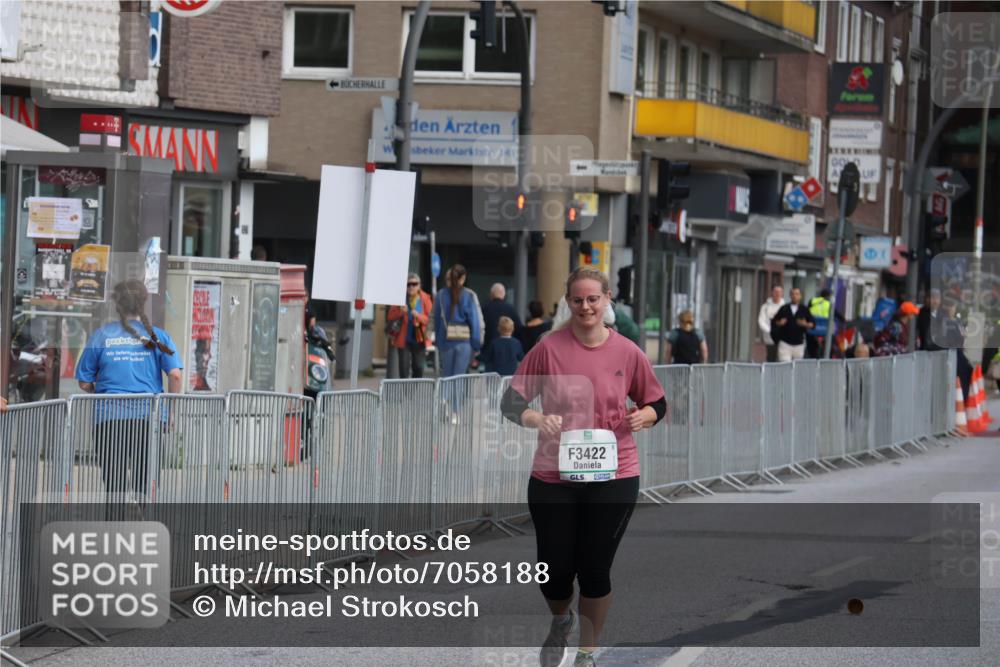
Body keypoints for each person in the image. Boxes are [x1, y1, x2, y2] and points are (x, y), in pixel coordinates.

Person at [501, 267, 666, 667]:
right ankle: (561, 619)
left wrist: (644, 416)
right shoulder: (548, 349)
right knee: (553, 569)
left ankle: (587, 652)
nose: (586, 306)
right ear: (568, 302)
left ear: (607, 299)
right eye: (578, 300)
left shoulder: (628, 352)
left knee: (594, 567)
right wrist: (537, 419)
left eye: (594, 298)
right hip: (553, 475)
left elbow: (657, 402)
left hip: (615, 474)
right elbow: (511, 403)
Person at [75, 280, 182, 499]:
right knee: (146, 483)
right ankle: (144, 528)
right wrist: (170, 410)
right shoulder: (159, 336)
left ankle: (115, 530)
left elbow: (84, 381)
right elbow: (175, 375)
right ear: (143, 304)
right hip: (148, 419)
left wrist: (99, 394)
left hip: (109, 420)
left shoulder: (102, 336)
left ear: (118, 305)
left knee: (114, 485)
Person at [434, 264, 482, 379]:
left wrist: (439, 342)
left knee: (446, 378)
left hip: (446, 342)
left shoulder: (441, 295)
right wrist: (476, 345)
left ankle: (446, 398)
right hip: (464, 342)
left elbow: (437, 320)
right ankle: (457, 398)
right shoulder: (469, 295)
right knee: (460, 379)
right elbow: (475, 323)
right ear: (463, 278)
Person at [386, 273, 433, 379]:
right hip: (403, 339)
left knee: (419, 367)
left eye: (414, 284)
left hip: (420, 338)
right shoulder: (400, 298)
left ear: (419, 285)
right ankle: (405, 394)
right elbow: (390, 316)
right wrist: (400, 311)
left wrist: (419, 316)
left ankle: (413, 393)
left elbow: (430, 319)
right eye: (408, 284)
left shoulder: (425, 299)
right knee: (403, 369)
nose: (411, 287)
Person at [481, 283, 523, 364]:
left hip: (487, 352)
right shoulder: (511, 309)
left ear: (491, 294)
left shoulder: (483, 308)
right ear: (503, 295)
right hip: (509, 354)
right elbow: (519, 329)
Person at [770, 287, 815, 361]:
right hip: (785, 343)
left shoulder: (804, 309)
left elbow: (813, 324)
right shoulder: (784, 308)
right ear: (790, 296)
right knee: (785, 366)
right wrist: (780, 323)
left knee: (796, 367)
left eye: (797, 294)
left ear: (800, 296)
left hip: (799, 344)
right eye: (792, 294)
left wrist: (805, 324)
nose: (794, 296)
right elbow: (774, 322)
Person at [757, 285, 785, 362]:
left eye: (779, 292)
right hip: (769, 338)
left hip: (782, 339)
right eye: (775, 292)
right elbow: (761, 321)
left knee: (781, 359)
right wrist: (770, 331)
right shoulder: (765, 307)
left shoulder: (785, 307)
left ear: (782, 293)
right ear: (772, 292)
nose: (777, 294)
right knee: (771, 358)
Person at [806, 288, 831, 358]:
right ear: (828, 296)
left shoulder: (812, 301)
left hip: (812, 328)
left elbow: (807, 310)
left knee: (811, 347)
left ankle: (812, 358)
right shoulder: (829, 304)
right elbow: (835, 314)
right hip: (823, 329)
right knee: (825, 347)